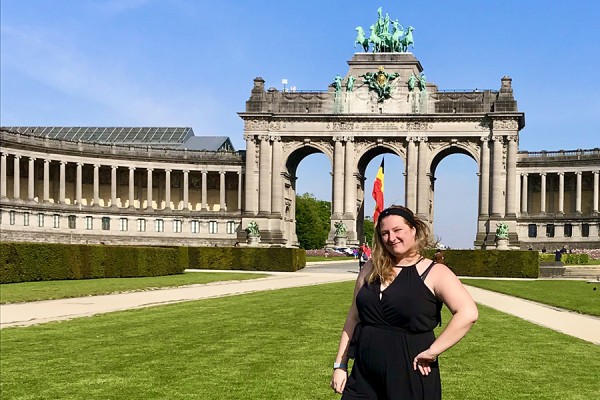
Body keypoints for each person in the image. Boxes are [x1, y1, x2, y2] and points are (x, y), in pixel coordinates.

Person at [330, 205, 478, 399]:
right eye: (385, 233)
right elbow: (353, 317)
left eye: (398, 230)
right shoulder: (370, 268)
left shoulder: (434, 272)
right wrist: (340, 365)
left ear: (413, 230)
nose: (391, 238)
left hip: (411, 371)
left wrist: (433, 351)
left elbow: (468, 313)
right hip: (364, 375)